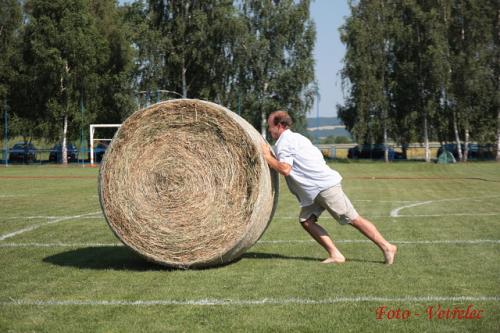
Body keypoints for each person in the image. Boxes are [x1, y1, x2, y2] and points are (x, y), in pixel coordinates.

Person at [261, 110, 397, 265]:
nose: (269, 129)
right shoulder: (296, 138)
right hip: (313, 191)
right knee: (306, 221)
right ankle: (336, 254)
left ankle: (387, 247)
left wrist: (266, 156)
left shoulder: (285, 142)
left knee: (353, 219)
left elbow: (285, 169)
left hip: (323, 187)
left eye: (270, 126)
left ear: (279, 126)